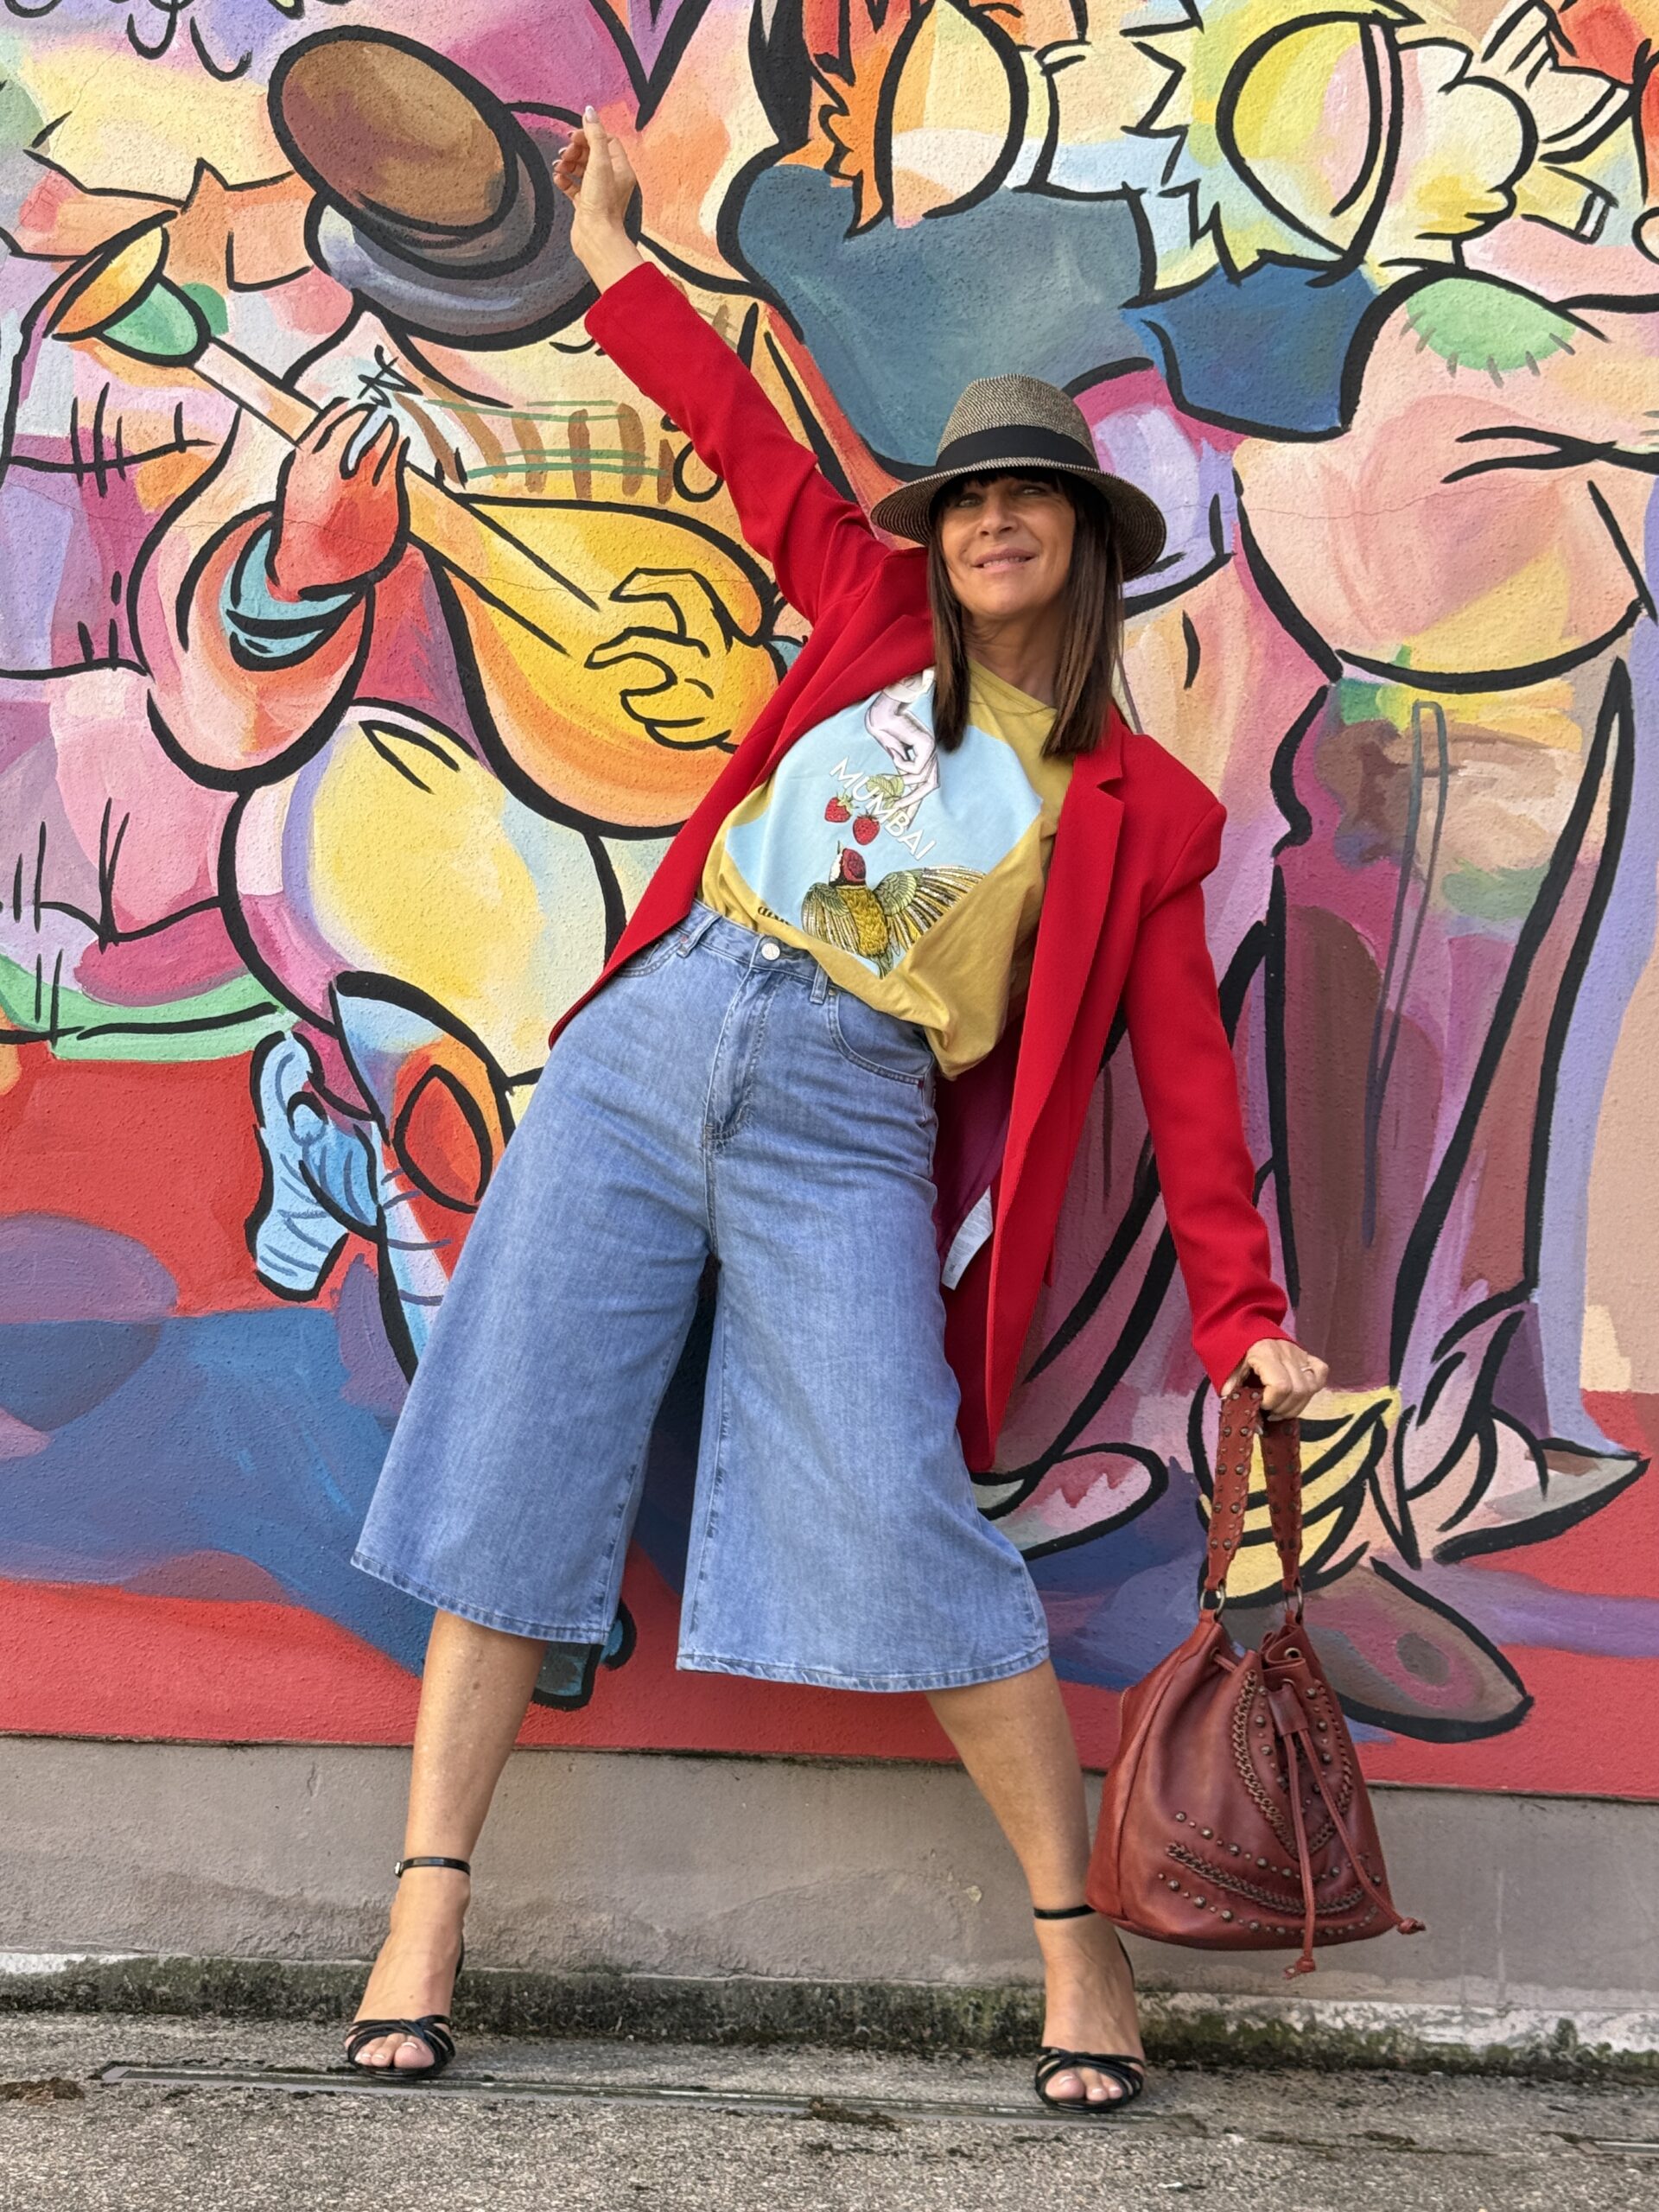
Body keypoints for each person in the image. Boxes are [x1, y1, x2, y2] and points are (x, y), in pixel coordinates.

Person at [339, 109, 1330, 2113]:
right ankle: (423, 1916)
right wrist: (615, 262)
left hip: (847, 1106)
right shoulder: (871, 624)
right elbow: (747, 444)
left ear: (1086, 538)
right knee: (516, 1448)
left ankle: (1080, 1945)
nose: (991, 523)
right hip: (653, 1037)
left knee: (901, 1498)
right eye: (967, 499)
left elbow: (1187, 1086)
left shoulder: (1134, 811)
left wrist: (1245, 1326)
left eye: (1028, 497)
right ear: (937, 534)